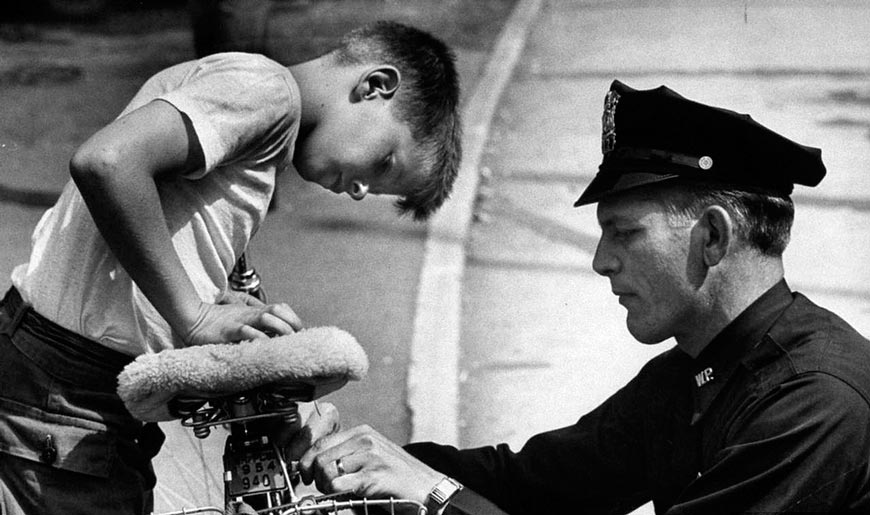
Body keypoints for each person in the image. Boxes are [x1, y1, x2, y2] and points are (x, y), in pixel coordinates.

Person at [291, 80, 870, 514]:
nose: (600, 260)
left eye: (624, 232)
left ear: (713, 236)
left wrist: (437, 495)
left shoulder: (815, 402)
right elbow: (536, 486)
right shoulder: (694, 373)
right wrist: (355, 456)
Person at [0, 20, 460, 515]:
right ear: (374, 86)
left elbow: (135, 246)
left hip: (74, 391)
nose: (360, 190)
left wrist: (213, 298)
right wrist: (194, 316)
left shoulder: (261, 127)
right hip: (66, 391)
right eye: (385, 163)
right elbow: (107, 162)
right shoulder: (266, 92)